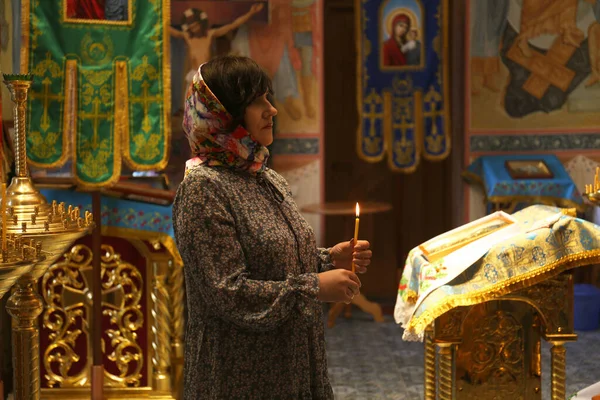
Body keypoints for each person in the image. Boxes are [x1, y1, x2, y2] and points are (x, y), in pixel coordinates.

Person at [173, 55, 373, 399]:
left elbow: (273, 259)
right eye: (256, 101)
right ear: (223, 114)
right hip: (239, 376)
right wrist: (314, 287)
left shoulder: (264, 176)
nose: (272, 110)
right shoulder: (203, 189)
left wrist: (328, 259)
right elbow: (228, 292)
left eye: (269, 98)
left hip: (292, 364)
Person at [170, 5, 264, 91]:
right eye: (192, 27)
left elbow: (232, 26)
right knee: (191, 102)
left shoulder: (209, 35)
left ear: (201, 24)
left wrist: (250, 13)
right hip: (193, 75)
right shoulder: (188, 37)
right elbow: (172, 32)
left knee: (207, 103)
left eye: (196, 26)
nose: (195, 29)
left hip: (206, 74)